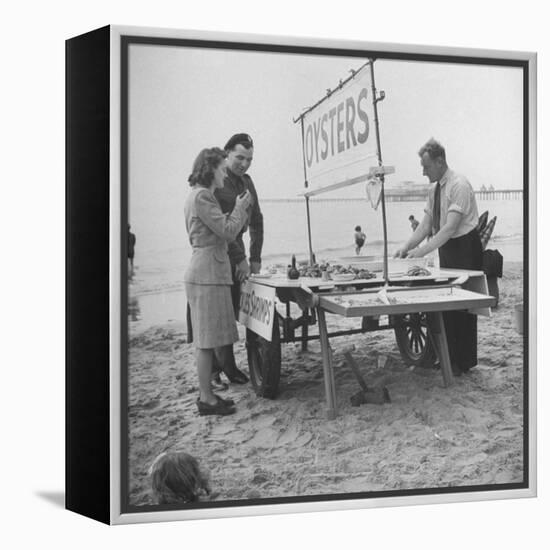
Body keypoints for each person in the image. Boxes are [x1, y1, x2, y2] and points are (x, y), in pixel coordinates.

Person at [394, 138, 482, 376]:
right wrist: (406, 247)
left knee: (463, 306)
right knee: (446, 302)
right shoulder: (433, 189)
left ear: (440, 161)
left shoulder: (459, 185)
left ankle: (462, 362)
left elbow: (450, 228)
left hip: (465, 246)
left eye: (426, 166)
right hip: (447, 247)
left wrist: (421, 252)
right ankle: (447, 357)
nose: (423, 171)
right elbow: (425, 226)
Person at [184, 147, 252, 415]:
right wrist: (239, 208)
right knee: (206, 341)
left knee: (207, 340)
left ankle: (208, 395)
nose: (226, 172)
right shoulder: (202, 196)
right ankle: (207, 399)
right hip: (207, 275)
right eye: (222, 168)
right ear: (210, 168)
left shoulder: (200, 195)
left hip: (207, 273)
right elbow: (227, 230)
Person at [212, 133, 264, 386]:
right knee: (220, 312)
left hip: (240, 249)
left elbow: (257, 221)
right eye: (240, 157)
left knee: (237, 308)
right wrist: (240, 259)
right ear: (227, 153)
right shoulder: (218, 182)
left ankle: (228, 366)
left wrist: (255, 258)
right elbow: (223, 228)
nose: (244, 164)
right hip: (219, 252)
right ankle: (221, 369)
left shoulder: (247, 181)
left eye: (249, 160)